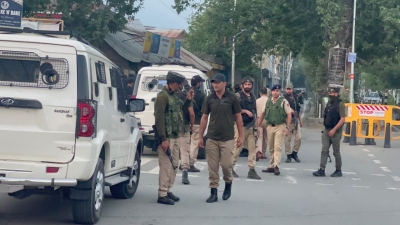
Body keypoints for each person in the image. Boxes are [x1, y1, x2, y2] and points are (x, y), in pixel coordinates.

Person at [198, 73, 243, 203]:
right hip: (212, 137)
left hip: (228, 138)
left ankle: (228, 184)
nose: (215, 84)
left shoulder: (232, 98)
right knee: (212, 167)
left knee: (226, 165)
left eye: (217, 82)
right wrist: (200, 136)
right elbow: (204, 117)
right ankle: (213, 192)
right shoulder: (209, 98)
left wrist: (241, 136)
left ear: (224, 83)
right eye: (213, 82)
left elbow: (238, 117)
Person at [153, 71, 194, 205]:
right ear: (174, 84)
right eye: (179, 84)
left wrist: (188, 99)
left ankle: (168, 190)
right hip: (167, 137)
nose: (180, 87)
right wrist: (163, 139)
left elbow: (181, 110)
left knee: (174, 164)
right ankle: (162, 193)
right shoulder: (162, 97)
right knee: (166, 165)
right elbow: (159, 119)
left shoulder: (173, 97)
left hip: (176, 135)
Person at [257, 84, 292, 176]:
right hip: (270, 126)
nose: (275, 92)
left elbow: (289, 114)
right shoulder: (268, 101)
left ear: (280, 92)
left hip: (280, 126)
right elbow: (263, 114)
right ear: (271, 92)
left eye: (277, 91)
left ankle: (276, 166)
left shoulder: (283, 101)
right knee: (271, 147)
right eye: (274, 91)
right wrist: (257, 126)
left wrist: (287, 127)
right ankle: (271, 165)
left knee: (277, 147)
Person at [232, 77, 261, 180]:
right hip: (241, 127)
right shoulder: (238, 96)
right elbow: (233, 110)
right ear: (242, 85)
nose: (248, 86)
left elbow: (255, 112)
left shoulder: (253, 96)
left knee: (252, 149)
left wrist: (257, 126)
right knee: (237, 148)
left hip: (251, 127)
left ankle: (252, 170)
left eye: (249, 84)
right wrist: (244, 111)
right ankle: (230, 168)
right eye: (246, 84)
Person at [313, 85, 345, 177]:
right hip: (327, 130)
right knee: (324, 150)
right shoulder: (329, 103)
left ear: (336, 93)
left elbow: (343, 119)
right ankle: (322, 169)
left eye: (332, 92)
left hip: (336, 131)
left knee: (336, 152)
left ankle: (338, 170)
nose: (330, 94)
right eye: (329, 92)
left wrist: (334, 130)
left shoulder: (340, 104)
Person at [175, 83, 195, 185]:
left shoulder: (171, 96)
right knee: (184, 151)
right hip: (184, 127)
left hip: (173, 128)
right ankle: (185, 173)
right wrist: (192, 125)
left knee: (173, 151)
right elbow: (191, 113)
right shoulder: (185, 97)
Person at [189, 75, 206, 172]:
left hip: (185, 122)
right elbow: (204, 111)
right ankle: (190, 164)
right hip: (196, 122)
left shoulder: (185, 92)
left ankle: (184, 162)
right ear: (198, 83)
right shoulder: (201, 95)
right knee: (194, 144)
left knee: (185, 144)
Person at [284, 83, 302, 163]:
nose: (288, 90)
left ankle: (294, 153)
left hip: (295, 121)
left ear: (292, 89)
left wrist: (300, 120)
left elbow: (298, 110)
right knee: (287, 139)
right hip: (286, 121)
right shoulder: (283, 99)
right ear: (285, 90)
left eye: (289, 89)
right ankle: (288, 155)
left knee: (298, 138)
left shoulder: (295, 98)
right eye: (287, 89)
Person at [256, 87, 271, 160]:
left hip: (259, 119)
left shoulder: (257, 101)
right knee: (266, 138)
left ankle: (258, 151)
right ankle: (264, 153)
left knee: (259, 136)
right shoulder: (270, 101)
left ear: (260, 93)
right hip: (267, 120)